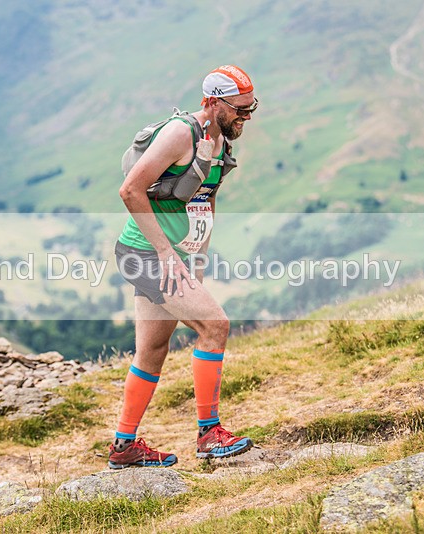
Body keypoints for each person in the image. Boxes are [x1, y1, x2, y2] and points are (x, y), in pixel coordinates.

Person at [109, 65, 259, 468]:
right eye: (240, 109)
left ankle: (124, 447)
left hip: (176, 259)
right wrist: (164, 251)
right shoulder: (181, 135)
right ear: (212, 101)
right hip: (146, 254)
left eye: (251, 108)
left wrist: (198, 259)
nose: (246, 116)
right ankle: (209, 434)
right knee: (216, 326)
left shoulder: (220, 143)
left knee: (152, 350)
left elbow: (204, 199)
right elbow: (130, 190)